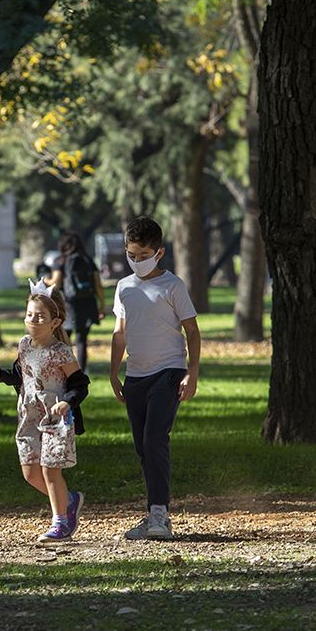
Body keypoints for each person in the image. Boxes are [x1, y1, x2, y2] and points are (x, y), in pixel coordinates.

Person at [109, 216, 201, 541]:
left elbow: (192, 331)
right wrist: (113, 372)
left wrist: (192, 372)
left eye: (143, 255)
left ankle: (160, 513)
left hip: (169, 372)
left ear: (159, 252)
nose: (136, 261)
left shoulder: (173, 286)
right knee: (142, 447)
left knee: (154, 439)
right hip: (136, 376)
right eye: (131, 255)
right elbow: (119, 333)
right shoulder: (124, 287)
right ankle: (152, 515)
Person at [0, 281, 91, 543]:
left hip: (55, 419)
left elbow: (81, 384)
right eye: (29, 314)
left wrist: (67, 402)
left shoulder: (61, 352)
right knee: (30, 473)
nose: (33, 320)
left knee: (50, 470)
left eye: (40, 316)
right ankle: (69, 500)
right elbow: (20, 376)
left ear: (55, 322)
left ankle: (61, 523)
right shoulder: (24, 345)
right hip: (29, 417)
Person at [45, 232, 106, 370]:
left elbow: (56, 282)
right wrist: (102, 306)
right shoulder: (88, 260)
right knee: (81, 340)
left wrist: (45, 279)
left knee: (63, 339)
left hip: (68, 304)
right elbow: (98, 285)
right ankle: (81, 371)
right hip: (88, 303)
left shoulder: (60, 260)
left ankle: (64, 370)